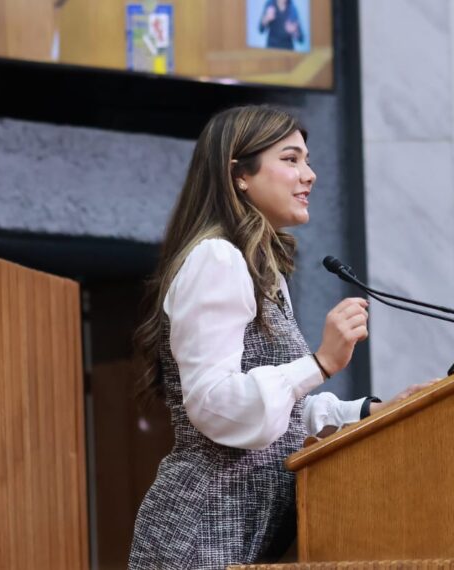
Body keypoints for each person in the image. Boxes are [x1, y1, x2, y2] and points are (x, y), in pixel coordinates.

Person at [128, 105, 434, 569]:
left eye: (307, 160)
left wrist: (370, 412)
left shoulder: (259, 268)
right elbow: (214, 403)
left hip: (238, 534)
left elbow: (277, 417)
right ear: (239, 175)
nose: (309, 175)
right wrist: (320, 363)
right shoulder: (218, 259)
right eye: (291, 160)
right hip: (202, 533)